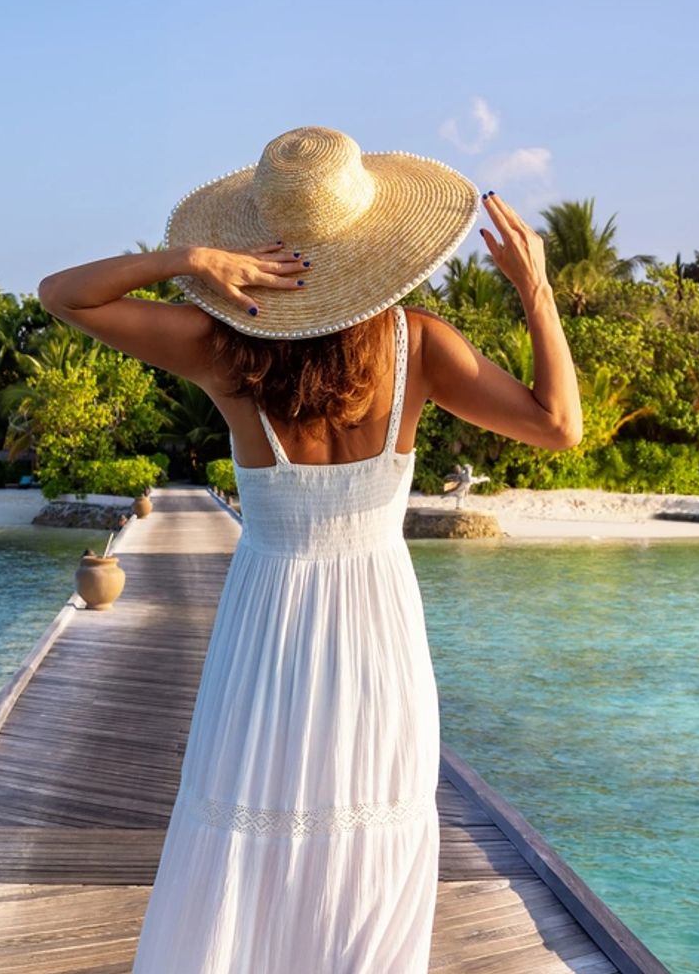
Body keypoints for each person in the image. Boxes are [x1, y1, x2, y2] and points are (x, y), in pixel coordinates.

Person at [36, 126, 581, 973]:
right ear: (379, 245)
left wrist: (190, 260)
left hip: (268, 617)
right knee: (373, 814)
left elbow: (63, 295)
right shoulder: (417, 344)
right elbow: (559, 426)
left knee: (251, 810)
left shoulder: (221, 345)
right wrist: (535, 291)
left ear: (262, 237)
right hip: (376, 620)